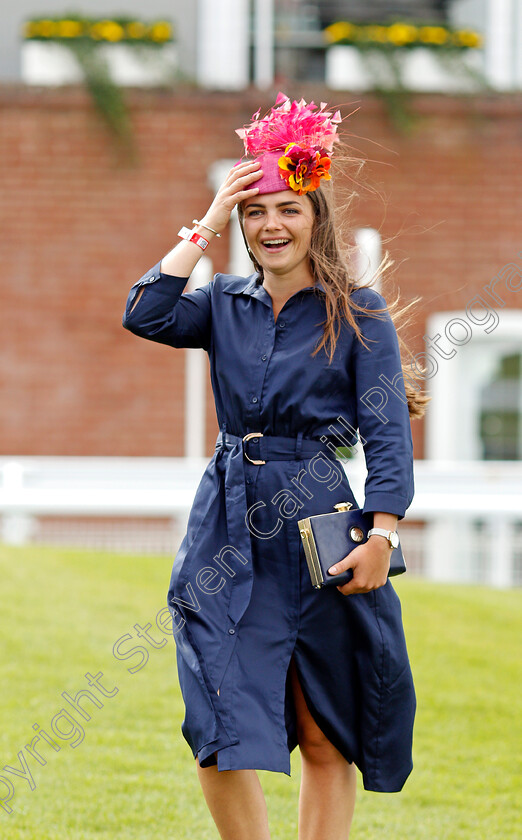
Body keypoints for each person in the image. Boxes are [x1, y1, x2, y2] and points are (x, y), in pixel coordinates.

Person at [123, 93, 426, 840]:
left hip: (319, 515)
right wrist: (208, 218)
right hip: (227, 517)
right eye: (256, 212)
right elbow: (146, 311)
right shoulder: (221, 302)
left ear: (315, 216)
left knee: (321, 723)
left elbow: (387, 433)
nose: (272, 226)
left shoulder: (359, 313)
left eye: (288, 209)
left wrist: (383, 535)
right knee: (217, 721)